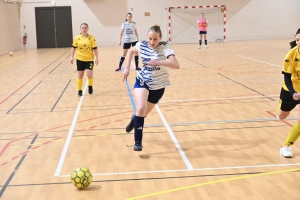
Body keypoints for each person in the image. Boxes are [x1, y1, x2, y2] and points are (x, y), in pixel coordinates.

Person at [123, 25, 180, 151]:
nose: (152, 42)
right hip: (143, 81)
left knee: (142, 115)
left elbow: (176, 65)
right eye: (150, 38)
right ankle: (138, 142)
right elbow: (131, 51)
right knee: (141, 108)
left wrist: (160, 62)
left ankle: (134, 119)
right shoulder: (142, 44)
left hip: (159, 86)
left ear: (160, 38)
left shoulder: (165, 47)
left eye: (155, 39)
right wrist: (127, 68)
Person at [277, 28, 300, 158]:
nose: (299, 42)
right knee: (282, 116)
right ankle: (280, 108)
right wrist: (292, 93)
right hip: (290, 89)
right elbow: (286, 77)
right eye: (297, 40)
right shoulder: (291, 55)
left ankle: (285, 146)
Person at [70, 23, 98, 96]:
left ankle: (90, 86)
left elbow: (95, 49)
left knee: (89, 74)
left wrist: (96, 58)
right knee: (80, 75)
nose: (84, 29)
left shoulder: (91, 38)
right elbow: (73, 48)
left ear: (88, 29)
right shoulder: (77, 38)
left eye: (85, 28)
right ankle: (79, 90)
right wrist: (72, 57)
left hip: (89, 59)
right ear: (80, 29)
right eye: (83, 28)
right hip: (80, 59)